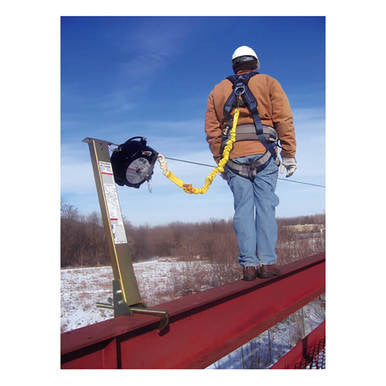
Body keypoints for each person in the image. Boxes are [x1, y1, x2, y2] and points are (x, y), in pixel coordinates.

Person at [204, 45, 297, 281]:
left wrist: (220, 159)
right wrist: (288, 152)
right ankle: (266, 263)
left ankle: (248, 265)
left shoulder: (218, 90)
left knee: (243, 210)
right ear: (255, 63)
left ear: (234, 65)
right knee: (266, 207)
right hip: (264, 153)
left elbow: (212, 130)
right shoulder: (268, 82)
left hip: (233, 157)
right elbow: (284, 119)